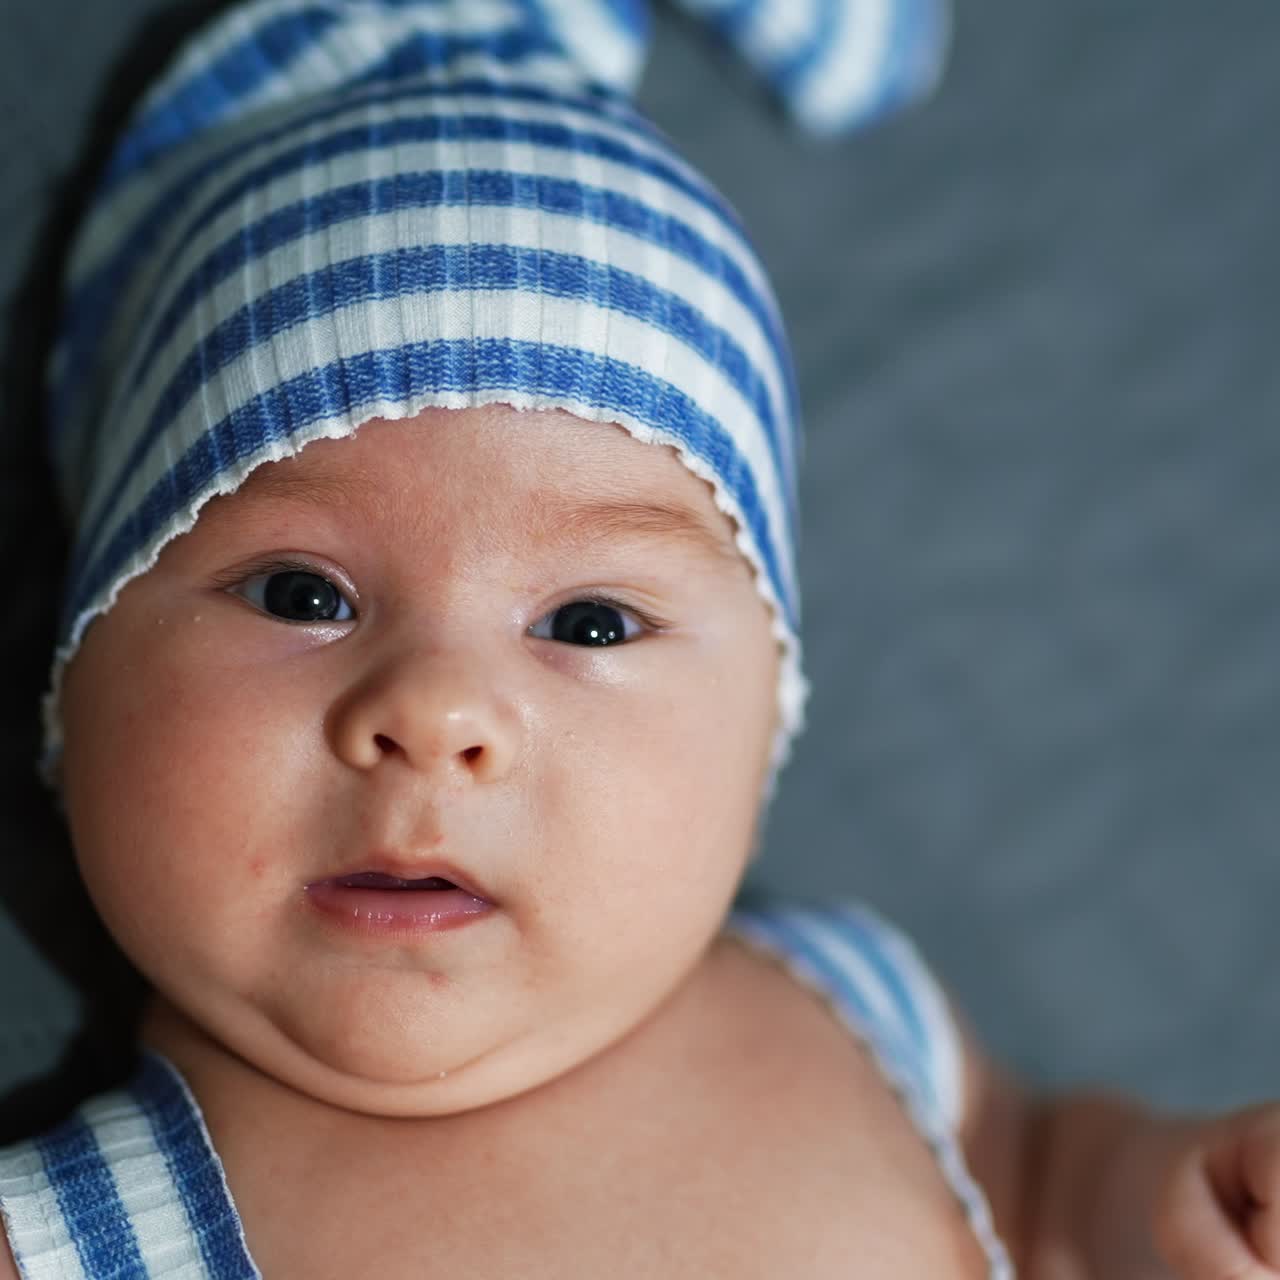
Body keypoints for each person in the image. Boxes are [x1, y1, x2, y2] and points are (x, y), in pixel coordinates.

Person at [1, 2, 1277, 1276]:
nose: (440, 709)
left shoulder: (846, 1001)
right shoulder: (105, 1234)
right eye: (299, 593)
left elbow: (1036, 1171)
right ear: (78, 670)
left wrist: (1160, 1198)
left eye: (590, 621)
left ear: (764, 730)